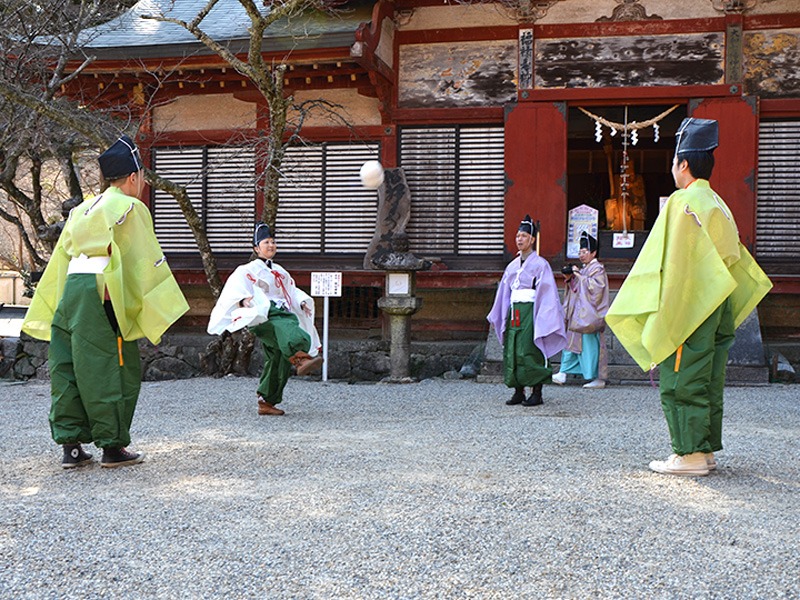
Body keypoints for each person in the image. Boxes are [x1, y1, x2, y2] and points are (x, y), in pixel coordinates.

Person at [606, 118, 772, 476]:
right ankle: (706, 450)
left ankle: (689, 454)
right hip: (717, 304)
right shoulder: (718, 202)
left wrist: (663, 314)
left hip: (691, 302)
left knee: (681, 376)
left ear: (683, 163)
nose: (672, 168)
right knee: (708, 376)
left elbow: (669, 262)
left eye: (673, 161)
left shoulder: (683, 202)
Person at [22, 135, 189, 469]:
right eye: (141, 177)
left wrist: (54, 305)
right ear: (132, 177)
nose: (142, 183)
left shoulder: (83, 208)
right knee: (110, 366)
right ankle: (112, 447)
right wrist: (156, 306)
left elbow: (60, 260)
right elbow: (144, 260)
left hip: (71, 291)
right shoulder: (130, 207)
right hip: (102, 292)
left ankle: (71, 448)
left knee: (68, 366)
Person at [207, 222, 323, 415]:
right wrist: (243, 300)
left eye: (273, 242)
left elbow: (291, 291)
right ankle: (301, 358)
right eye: (266, 242)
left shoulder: (280, 271)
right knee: (290, 325)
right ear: (256, 248)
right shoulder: (246, 270)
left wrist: (302, 301)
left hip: (278, 312)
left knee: (278, 357)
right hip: (263, 314)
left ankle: (266, 400)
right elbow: (233, 289)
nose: (271, 245)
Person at [487, 216, 566, 406]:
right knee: (513, 349)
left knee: (530, 348)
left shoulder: (541, 264)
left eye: (524, 236)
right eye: (517, 236)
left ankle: (536, 392)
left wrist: (543, 316)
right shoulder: (512, 266)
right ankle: (518, 390)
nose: (519, 239)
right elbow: (504, 293)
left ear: (532, 240)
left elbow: (547, 294)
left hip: (531, 310)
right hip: (514, 311)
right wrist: (500, 313)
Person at [553, 231, 609, 388]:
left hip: (589, 317)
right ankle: (563, 372)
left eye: (584, 252)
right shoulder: (585, 269)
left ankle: (598, 378)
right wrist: (570, 278)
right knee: (571, 343)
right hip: (578, 315)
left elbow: (596, 289)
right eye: (580, 252)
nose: (581, 255)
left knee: (590, 348)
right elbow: (577, 289)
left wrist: (578, 275)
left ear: (593, 253)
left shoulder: (598, 269)